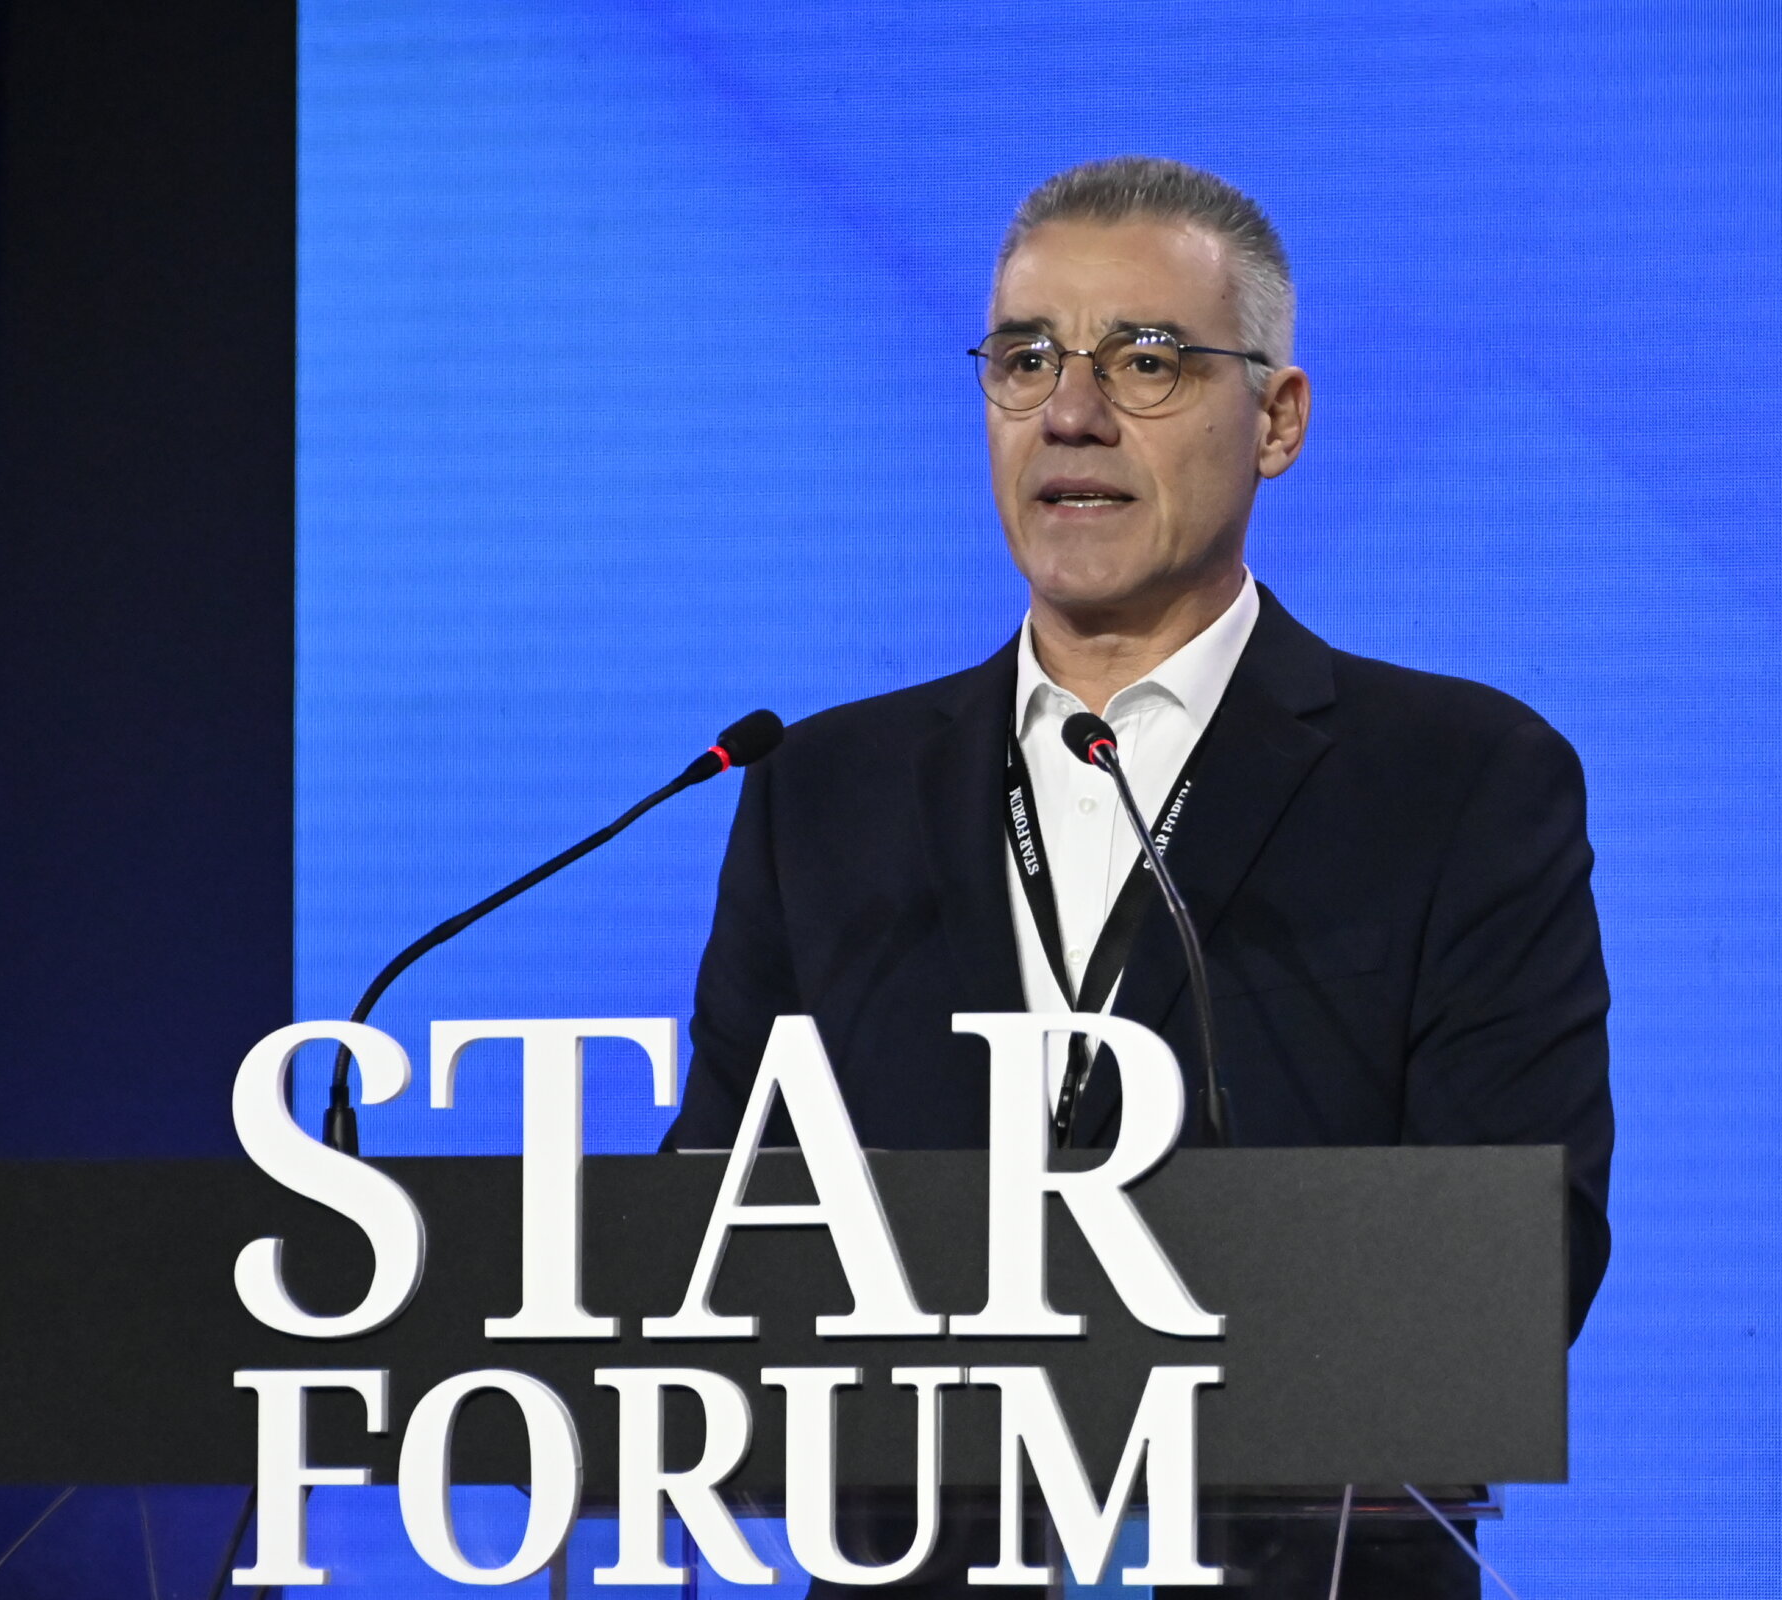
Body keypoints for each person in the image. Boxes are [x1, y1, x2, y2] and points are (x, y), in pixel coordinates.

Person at [664, 156, 1612, 1597]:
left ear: (1278, 419)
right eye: (1025, 359)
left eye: (1148, 361)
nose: (1072, 412)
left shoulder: (1459, 779)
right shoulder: (824, 791)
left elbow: (1521, 1262)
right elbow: (715, 1233)